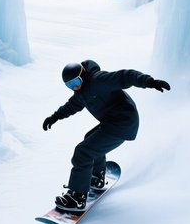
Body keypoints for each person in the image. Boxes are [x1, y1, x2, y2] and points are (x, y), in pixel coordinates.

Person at [42, 59, 171, 211]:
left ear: (83, 75)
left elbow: (125, 76)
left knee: (83, 152)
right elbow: (71, 106)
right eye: (69, 85)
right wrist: (55, 117)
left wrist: (150, 82)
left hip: (123, 123)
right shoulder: (80, 92)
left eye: (75, 82)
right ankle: (97, 177)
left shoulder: (99, 80)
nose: (74, 87)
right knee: (89, 141)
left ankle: (77, 197)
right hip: (112, 122)